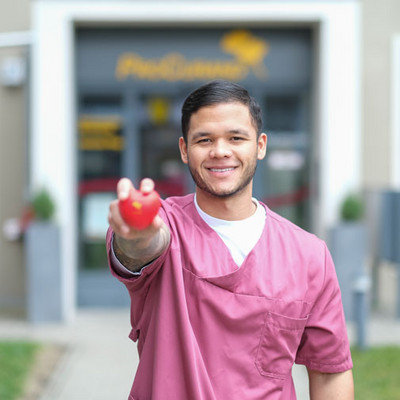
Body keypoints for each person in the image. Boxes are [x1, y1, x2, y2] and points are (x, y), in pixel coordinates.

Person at [107, 80, 354, 400]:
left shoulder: (308, 255)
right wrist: (137, 234)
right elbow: (142, 248)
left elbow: (330, 373)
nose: (220, 151)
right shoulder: (167, 225)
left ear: (260, 145)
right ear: (184, 149)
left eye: (236, 138)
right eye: (204, 139)